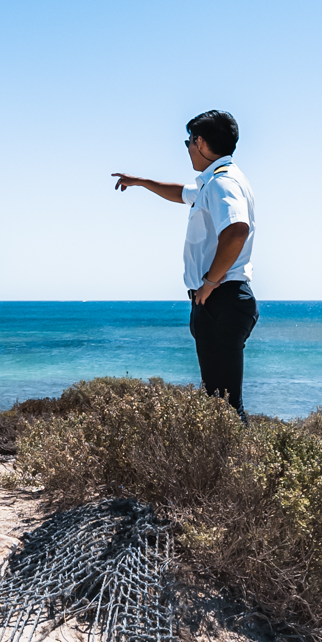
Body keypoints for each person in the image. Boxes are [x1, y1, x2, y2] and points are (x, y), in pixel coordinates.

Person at [111, 110, 258, 419]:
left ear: (200, 142)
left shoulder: (222, 184)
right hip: (220, 301)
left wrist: (209, 283)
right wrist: (141, 182)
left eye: (188, 141)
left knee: (224, 407)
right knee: (219, 403)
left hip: (221, 300)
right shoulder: (214, 183)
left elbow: (236, 231)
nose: (188, 148)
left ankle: (241, 452)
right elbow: (181, 193)